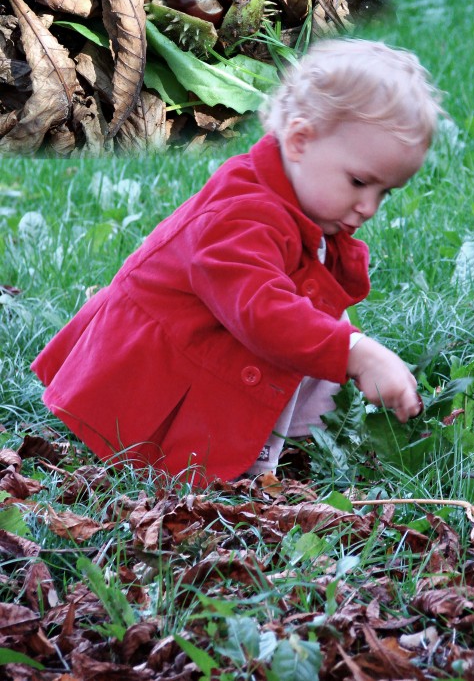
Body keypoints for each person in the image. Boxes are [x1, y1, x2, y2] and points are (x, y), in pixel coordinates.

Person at [31, 38, 442, 487]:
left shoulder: (305, 202)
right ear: (301, 141)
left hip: (218, 344)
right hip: (160, 373)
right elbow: (262, 312)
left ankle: (303, 436)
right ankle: (250, 464)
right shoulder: (241, 213)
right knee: (303, 333)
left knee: (315, 327)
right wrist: (354, 352)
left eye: (384, 192)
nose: (369, 207)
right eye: (360, 182)